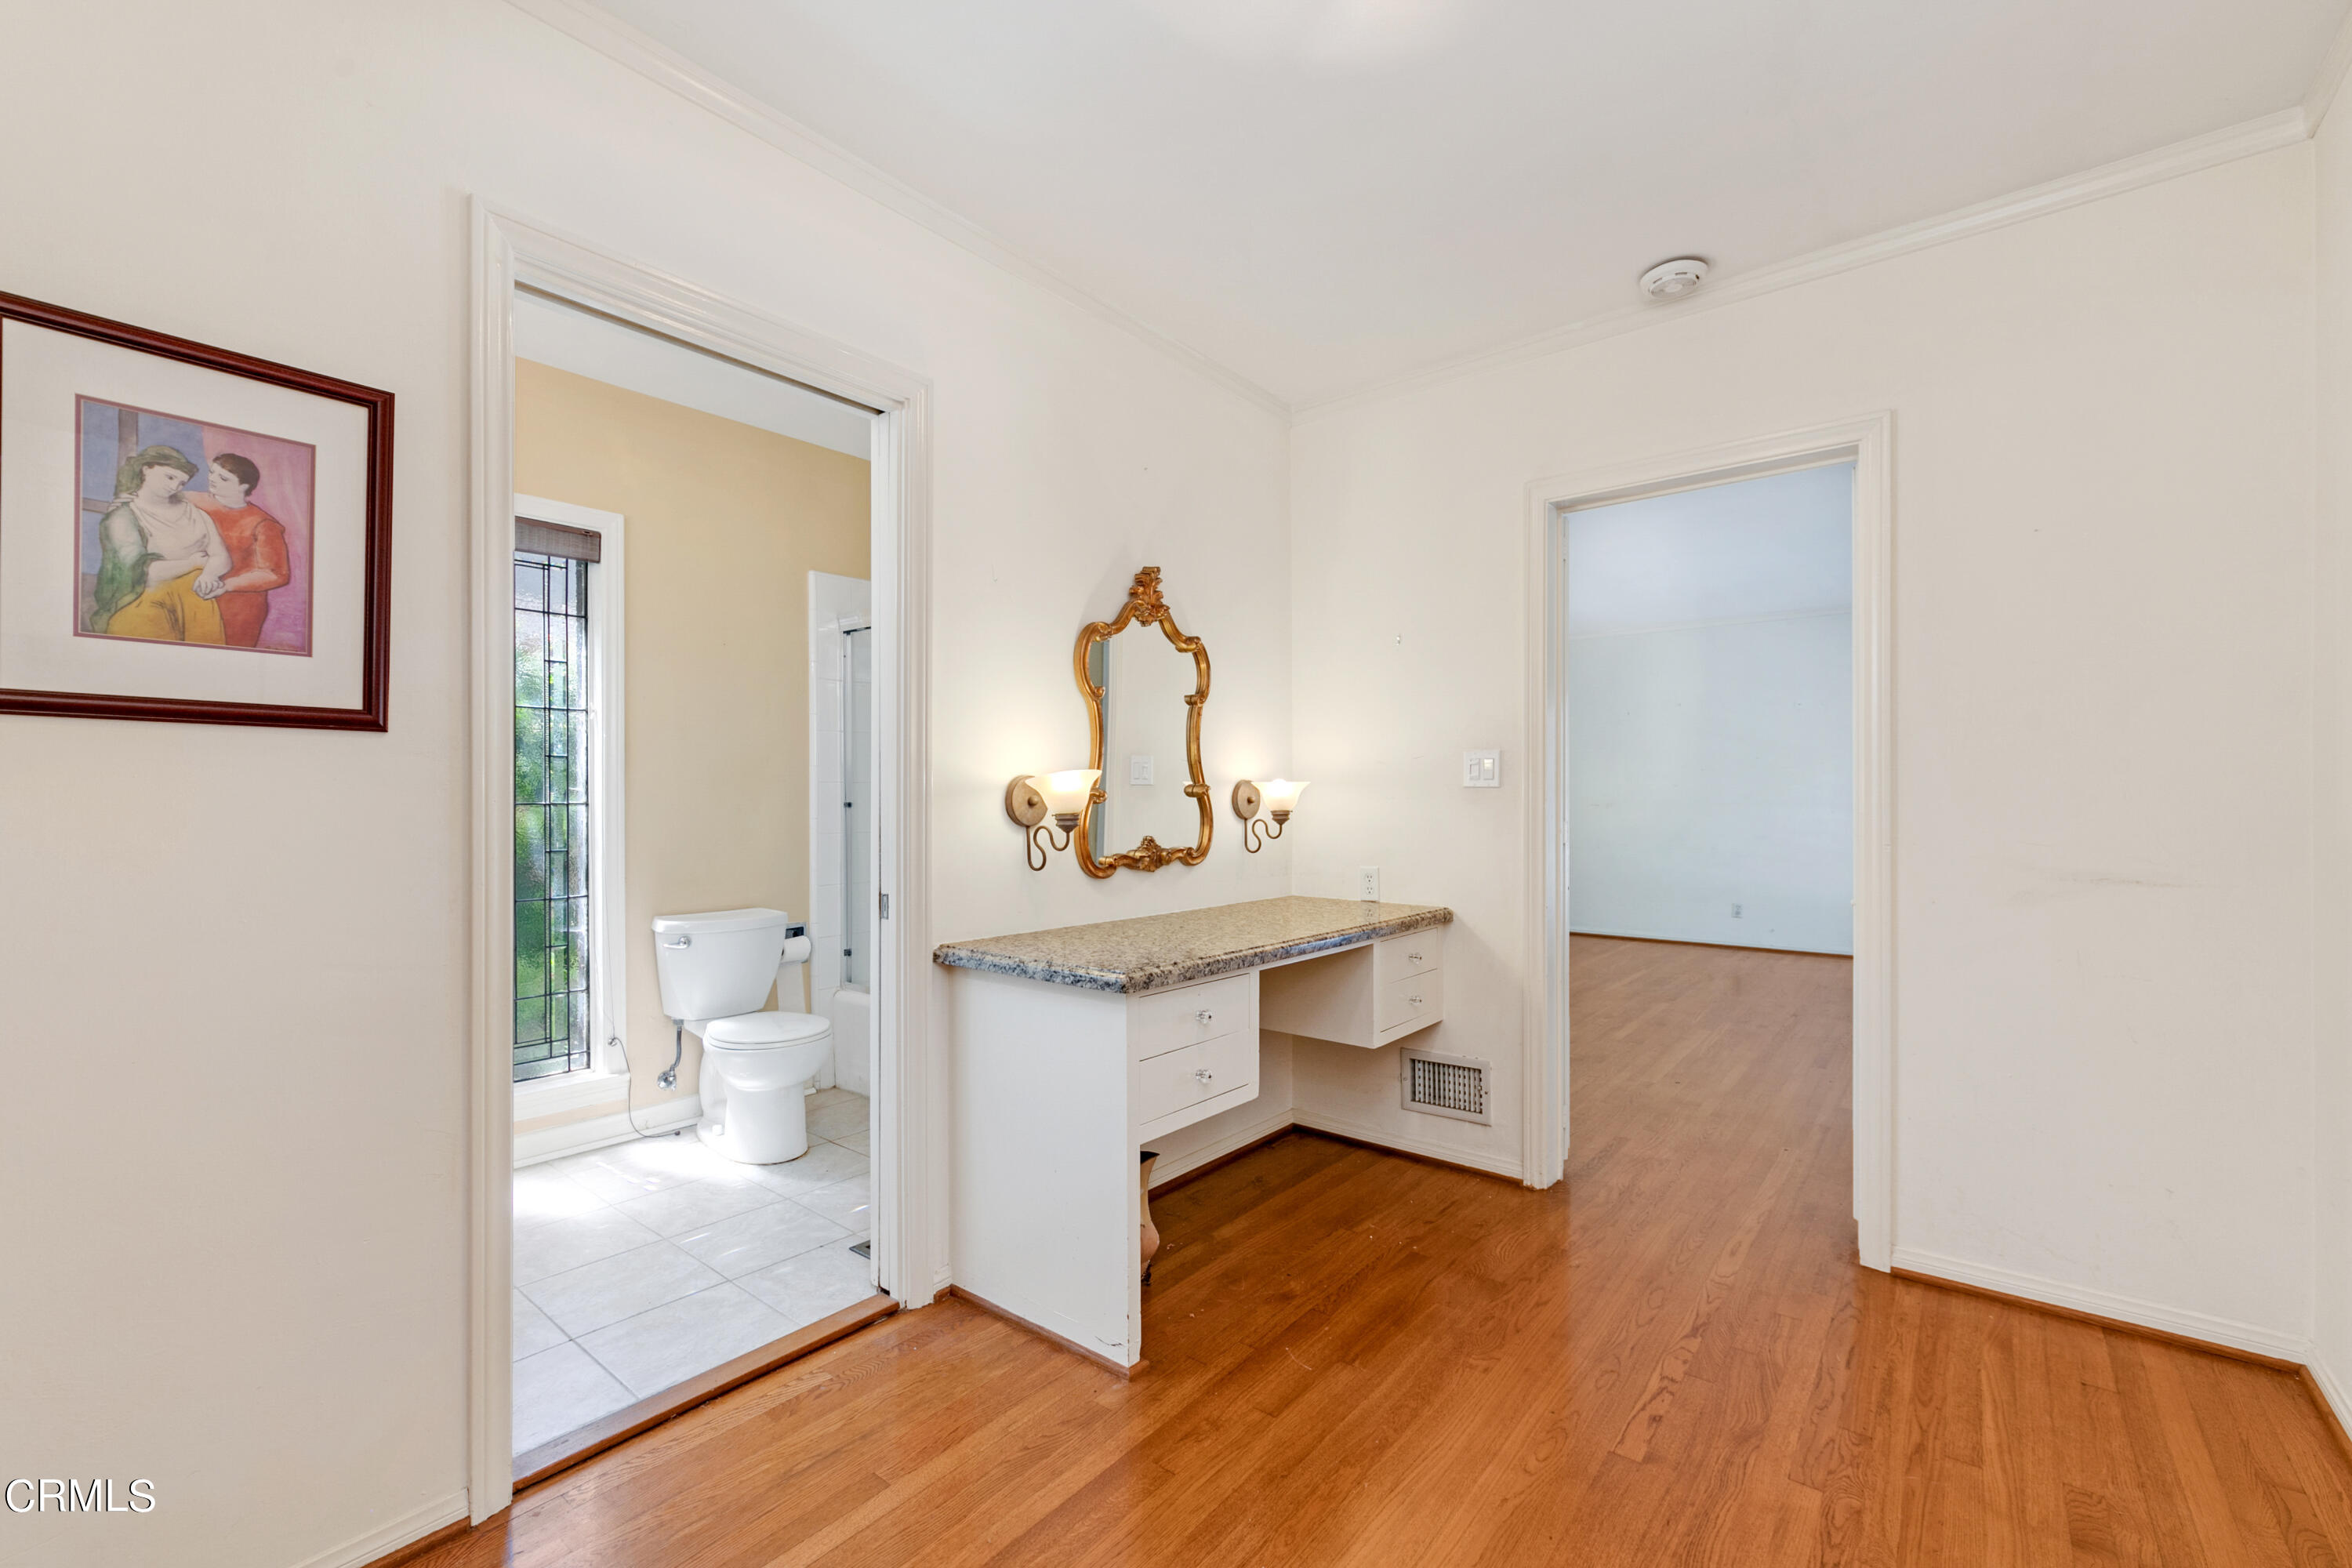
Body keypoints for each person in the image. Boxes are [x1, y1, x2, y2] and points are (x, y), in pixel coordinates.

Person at [89, 445, 229, 644]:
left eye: (181, 483)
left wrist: (209, 574)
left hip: (196, 604)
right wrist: (194, 563)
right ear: (146, 469)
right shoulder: (123, 517)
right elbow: (143, 573)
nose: (175, 487)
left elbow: (221, 556)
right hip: (144, 604)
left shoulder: (195, 513)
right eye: (170, 477)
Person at [191, 453, 290, 648]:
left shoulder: (262, 524)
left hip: (237, 608)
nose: (212, 479)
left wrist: (226, 586)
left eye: (223, 478)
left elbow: (276, 574)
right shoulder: (191, 501)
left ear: (243, 487)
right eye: (212, 473)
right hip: (188, 596)